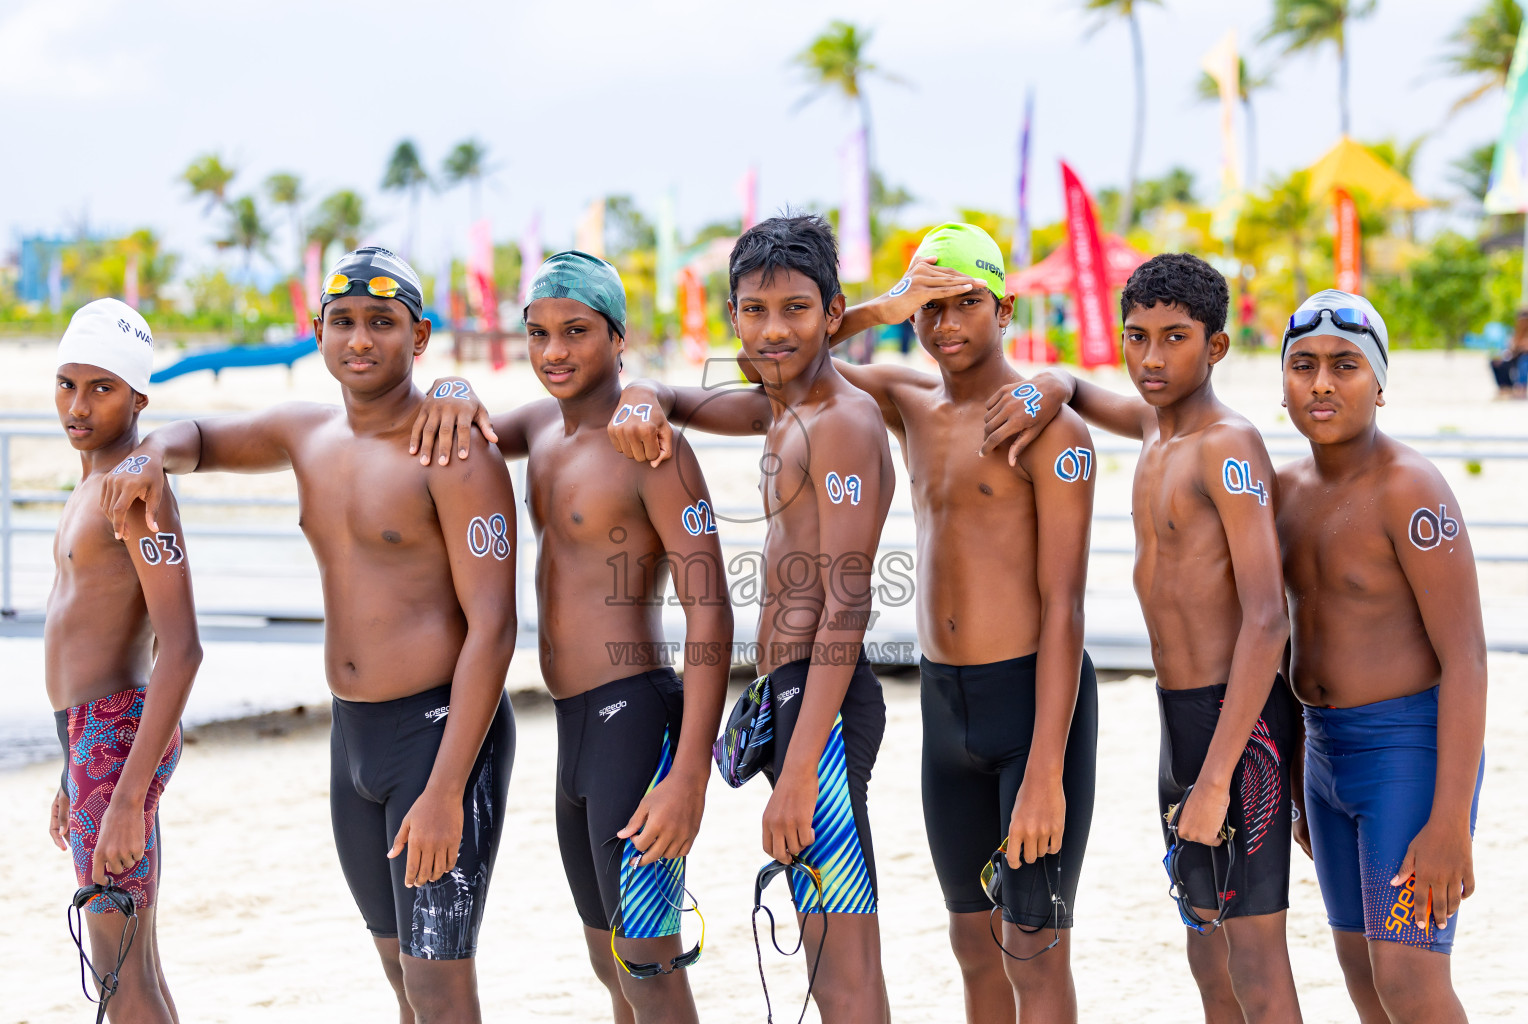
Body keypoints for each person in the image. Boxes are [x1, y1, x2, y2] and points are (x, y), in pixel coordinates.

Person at [603, 223, 1098, 1024]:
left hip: (875, 707)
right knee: (973, 946)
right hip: (918, 702)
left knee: (991, 953)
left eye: (966, 304)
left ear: (1003, 308)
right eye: (931, 309)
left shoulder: (856, 416)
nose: (946, 324)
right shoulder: (872, 398)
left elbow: (851, 601)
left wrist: (1059, 379)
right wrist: (642, 394)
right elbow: (715, 384)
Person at [102, 247, 517, 1024]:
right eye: (344, 322)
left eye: (382, 324)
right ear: (317, 331)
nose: (360, 340)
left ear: (420, 337)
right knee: (398, 969)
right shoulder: (306, 433)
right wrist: (149, 453)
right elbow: (199, 436)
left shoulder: (453, 452)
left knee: (439, 982)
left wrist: (446, 789)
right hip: (352, 734)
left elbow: (494, 630)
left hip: (439, 737)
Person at [405, 250, 733, 1024]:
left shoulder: (652, 450)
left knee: (649, 964)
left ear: (619, 338)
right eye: (539, 333)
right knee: (606, 956)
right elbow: (467, 417)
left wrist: (690, 772)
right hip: (574, 726)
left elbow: (711, 611)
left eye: (577, 331)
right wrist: (450, 384)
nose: (554, 351)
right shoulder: (543, 432)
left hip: (636, 716)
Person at [983, 253, 1302, 1023]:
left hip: (1240, 725)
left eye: (1175, 338)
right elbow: (1087, 391)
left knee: (1256, 959)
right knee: (1205, 941)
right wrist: (1052, 384)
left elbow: (1268, 616)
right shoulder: (1159, 427)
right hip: (1178, 714)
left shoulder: (1228, 445)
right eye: (1136, 337)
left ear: (1216, 346)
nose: (1152, 359)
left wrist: (1220, 777)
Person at [1277, 290, 1486, 1024]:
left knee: (1410, 982)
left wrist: (1450, 821)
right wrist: (1303, 779)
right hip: (1327, 759)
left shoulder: (1410, 490)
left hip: (1408, 750)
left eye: (1345, 365)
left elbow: (1467, 660)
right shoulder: (1284, 492)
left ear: (1381, 383)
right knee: (1364, 978)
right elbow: (1288, 643)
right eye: (1303, 365)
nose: (1322, 383)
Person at [48, 298, 202, 1023]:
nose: (78, 405)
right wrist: (68, 769)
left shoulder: (135, 494)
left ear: (139, 396)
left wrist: (125, 797)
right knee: (134, 968)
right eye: (67, 383)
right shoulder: (97, 481)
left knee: (120, 977)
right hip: (93, 739)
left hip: (116, 738)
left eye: (101, 387)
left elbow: (183, 645)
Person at [1487, 309, 1528, 399]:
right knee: (1496, 361)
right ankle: (1505, 387)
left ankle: (1522, 388)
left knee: (1524, 363)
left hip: (1524, 357)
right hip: (1515, 355)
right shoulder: (1515, 332)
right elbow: (1510, 347)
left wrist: (1520, 345)